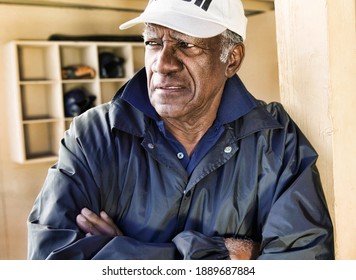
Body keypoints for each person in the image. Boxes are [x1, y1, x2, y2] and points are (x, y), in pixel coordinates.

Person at [27, 0, 334, 260]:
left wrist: (120, 252)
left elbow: (301, 263)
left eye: (185, 45)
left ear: (232, 59)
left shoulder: (275, 140)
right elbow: (52, 259)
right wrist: (223, 253)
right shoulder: (94, 135)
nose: (162, 64)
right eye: (153, 43)